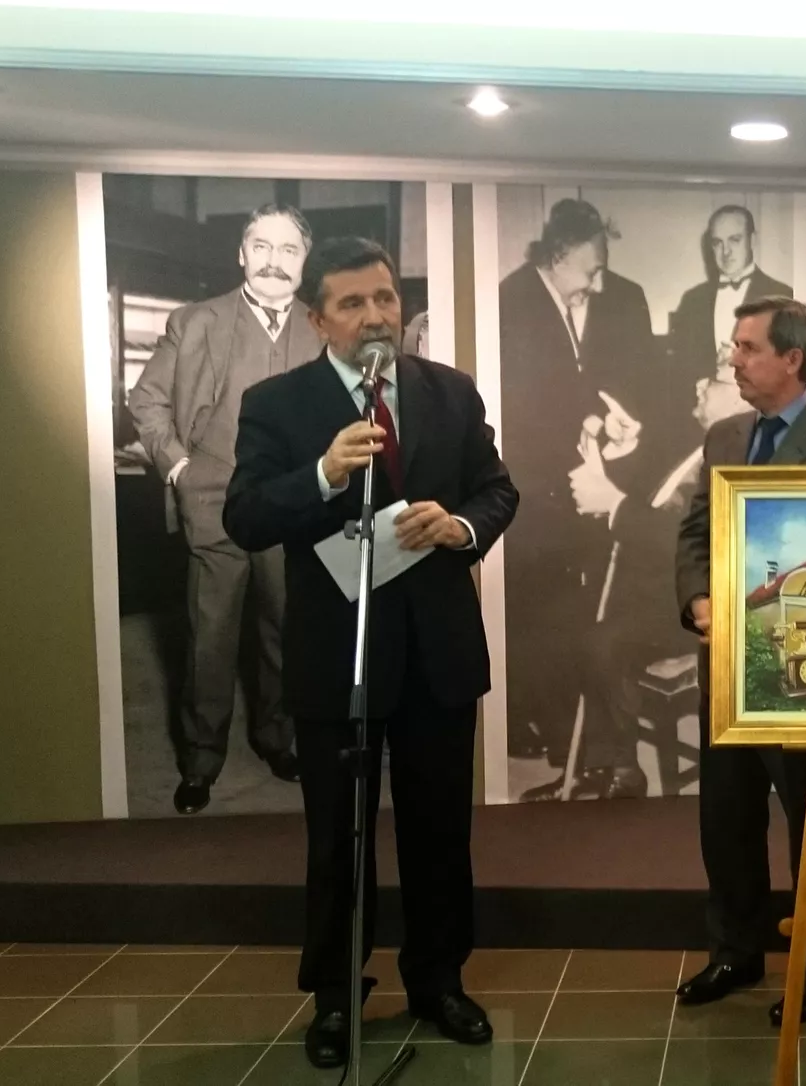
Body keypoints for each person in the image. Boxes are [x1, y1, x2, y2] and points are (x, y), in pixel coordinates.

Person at [222, 237, 518, 1069]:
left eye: (384, 297)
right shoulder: (277, 403)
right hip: (337, 659)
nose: (376, 315)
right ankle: (335, 996)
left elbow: (497, 490)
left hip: (437, 653)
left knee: (439, 831)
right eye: (352, 303)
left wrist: (460, 526)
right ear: (318, 319)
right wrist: (320, 474)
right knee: (337, 839)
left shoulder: (449, 392)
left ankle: (438, 980)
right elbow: (244, 516)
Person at [673, 296, 806, 1027]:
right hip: (727, 664)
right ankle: (736, 951)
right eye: (734, 346)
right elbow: (695, 532)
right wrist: (699, 600)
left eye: (747, 347)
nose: (732, 359)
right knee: (725, 815)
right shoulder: (725, 435)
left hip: (805, 668)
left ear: (792, 359)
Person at [128, 204, 323, 814]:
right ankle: (200, 759)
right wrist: (178, 467)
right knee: (209, 637)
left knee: (286, 630)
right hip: (213, 498)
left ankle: (277, 737)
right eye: (260, 246)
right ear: (241, 254)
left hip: (291, 505)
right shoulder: (195, 322)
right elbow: (146, 400)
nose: (273, 260)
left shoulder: (326, 330)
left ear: (304, 261)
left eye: (288, 249)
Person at [499, 198, 671, 801]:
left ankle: (589, 750)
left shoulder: (608, 297)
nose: (598, 284)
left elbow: (630, 383)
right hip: (536, 490)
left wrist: (602, 427)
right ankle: (559, 737)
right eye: (591, 269)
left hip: (596, 484)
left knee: (589, 615)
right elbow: (516, 407)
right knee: (545, 615)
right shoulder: (510, 301)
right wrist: (574, 445)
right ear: (559, 254)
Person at [668, 205, 794, 375]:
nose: (726, 251)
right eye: (717, 243)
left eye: (734, 240)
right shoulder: (692, 299)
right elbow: (680, 368)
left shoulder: (783, 296)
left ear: (752, 240)